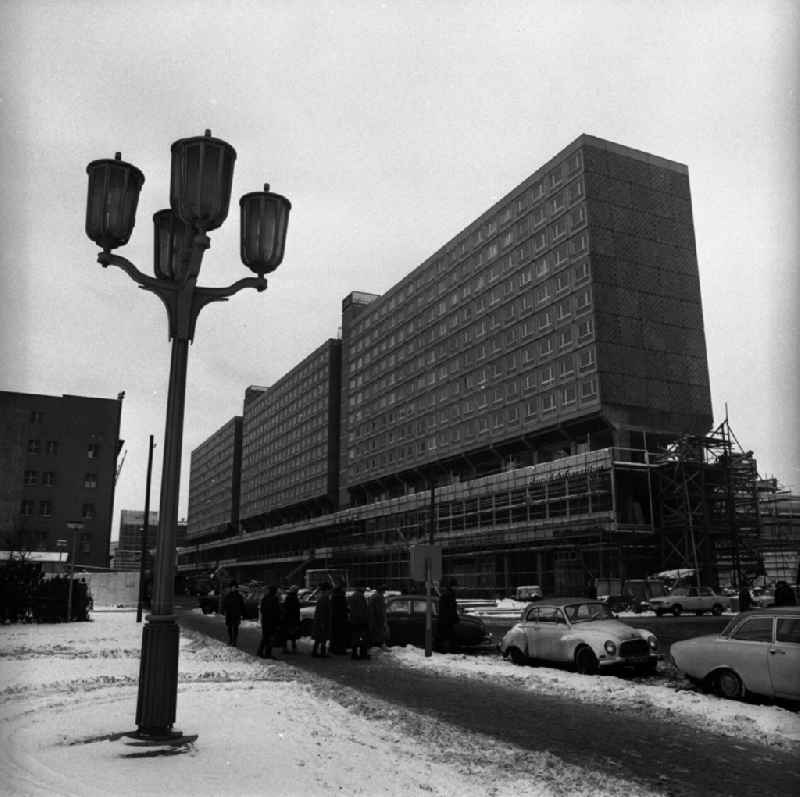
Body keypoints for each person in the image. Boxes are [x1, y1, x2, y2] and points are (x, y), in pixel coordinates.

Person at [257, 585, 282, 658]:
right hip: (272, 622)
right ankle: (267, 653)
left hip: (265, 621)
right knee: (270, 638)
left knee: (265, 637)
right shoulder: (275, 599)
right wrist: (278, 621)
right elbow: (277, 611)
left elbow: (262, 610)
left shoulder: (265, 598)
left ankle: (260, 651)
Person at [348, 585, 370, 660]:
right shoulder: (360, 596)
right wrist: (365, 620)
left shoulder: (354, 595)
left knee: (355, 638)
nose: (365, 589)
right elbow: (361, 610)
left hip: (354, 620)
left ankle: (355, 653)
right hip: (360, 621)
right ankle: (362, 654)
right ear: (361, 587)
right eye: (364, 587)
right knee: (363, 638)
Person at [438, 579, 459, 653]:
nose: (457, 588)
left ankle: (448, 651)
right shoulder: (448, 595)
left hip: (447, 620)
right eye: (455, 586)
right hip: (447, 620)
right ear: (452, 587)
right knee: (448, 637)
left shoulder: (449, 594)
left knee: (448, 637)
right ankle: (448, 651)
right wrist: (453, 618)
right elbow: (449, 609)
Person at [311, 582, 332, 657]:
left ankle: (315, 651)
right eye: (329, 590)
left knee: (318, 637)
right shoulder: (325, 598)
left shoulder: (321, 597)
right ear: (326, 590)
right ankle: (322, 653)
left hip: (320, 620)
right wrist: (323, 622)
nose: (330, 592)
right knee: (323, 637)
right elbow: (323, 611)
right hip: (323, 621)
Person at [222, 582, 246, 646]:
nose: (234, 588)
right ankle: (230, 640)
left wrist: (243, 614)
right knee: (229, 627)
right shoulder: (228, 596)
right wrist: (224, 610)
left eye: (235, 587)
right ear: (231, 588)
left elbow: (242, 605)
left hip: (236, 614)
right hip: (229, 614)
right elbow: (224, 604)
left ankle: (234, 641)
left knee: (235, 628)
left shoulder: (239, 596)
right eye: (233, 587)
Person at [329, 580, 349, 655]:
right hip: (341, 619)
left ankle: (333, 648)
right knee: (341, 635)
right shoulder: (341, 597)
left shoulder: (333, 597)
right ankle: (340, 649)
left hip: (334, 618)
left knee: (334, 634)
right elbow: (344, 608)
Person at [281, 585, 301, 653]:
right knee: (293, 635)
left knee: (286, 634)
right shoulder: (295, 598)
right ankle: (293, 648)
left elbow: (285, 608)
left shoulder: (288, 597)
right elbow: (297, 610)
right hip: (293, 618)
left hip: (287, 618)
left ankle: (285, 647)